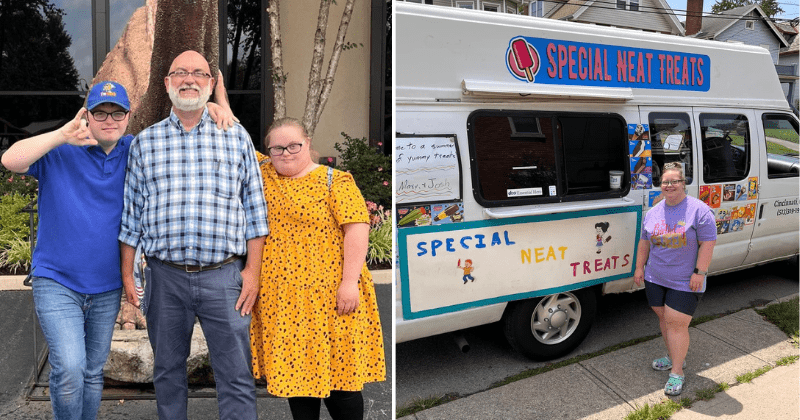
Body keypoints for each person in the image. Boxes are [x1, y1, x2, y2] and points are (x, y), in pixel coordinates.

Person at [118, 50, 269, 420]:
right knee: (168, 371)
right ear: (167, 83)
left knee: (235, 373)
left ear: (211, 84)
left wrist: (252, 272)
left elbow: (256, 213)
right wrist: (127, 275)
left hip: (225, 277)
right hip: (163, 277)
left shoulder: (236, 138)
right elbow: (131, 217)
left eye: (199, 73)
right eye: (180, 73)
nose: (190, 79)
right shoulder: (144, 143)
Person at [0, 81, 131, 420]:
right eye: (100, 112)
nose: (109, 119)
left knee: (91, 372)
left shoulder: (133, 150)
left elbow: (180, 136)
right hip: (57, 280)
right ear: (87, 115)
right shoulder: (62, 149)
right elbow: (10, 160)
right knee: (70, 368)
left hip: (107, 284)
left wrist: (216, 105)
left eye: (117, 113)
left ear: (128, 117)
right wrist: (61, 134)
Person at [250, 117, 385, 420]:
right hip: (284, 301)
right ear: (268, 151)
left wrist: (349, 282)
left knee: (342, 382)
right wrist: (218, 92)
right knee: (297, 382)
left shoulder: (334, 181)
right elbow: (231, 128)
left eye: (294, 145)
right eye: (278, 148)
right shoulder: (264, 173)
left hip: (331, 297)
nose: (286, 153)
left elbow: (357, 229)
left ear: (308, 143)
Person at [634, 161, 716, 396]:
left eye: (674, 181)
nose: (669, 185)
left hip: (685, 280)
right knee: (664, 319)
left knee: (676, 323)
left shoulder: (699, 210)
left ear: (683, 183)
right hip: (655, 276)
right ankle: (673, 357)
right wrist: (640, 268)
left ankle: (677, 372)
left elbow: (707, 243)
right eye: (665, 182)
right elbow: (644, 242)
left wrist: (700, 272)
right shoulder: (654, 211)